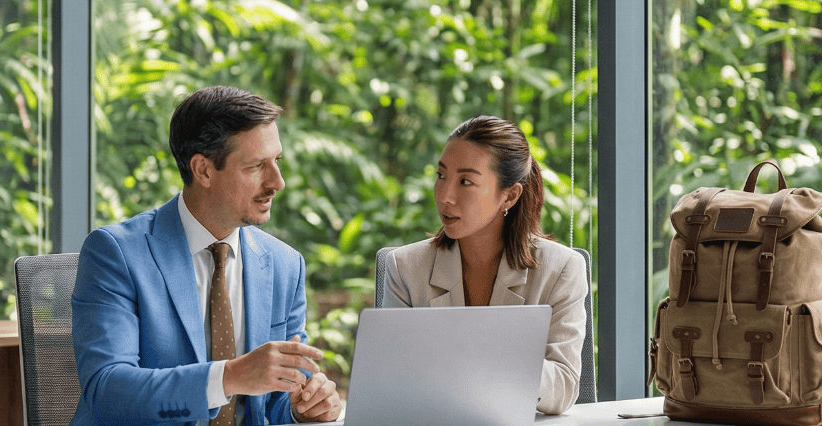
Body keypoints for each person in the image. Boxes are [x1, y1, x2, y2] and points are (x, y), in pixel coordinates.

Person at [71, 86, 342, 425]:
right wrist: (229, 377)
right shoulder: (116, 253)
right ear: (203, 170)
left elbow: (274, 402)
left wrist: (302, 408)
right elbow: (107, 389)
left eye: (277, 161)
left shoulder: (285, 265)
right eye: (257, 165)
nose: (278, 182)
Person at [380, 115, 588, 415]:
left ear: (510, 195)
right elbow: (392, 382)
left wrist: (481, 354)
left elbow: (564, 388)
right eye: (441, 176)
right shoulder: (404, 267)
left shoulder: (562, 268)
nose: (445, 196)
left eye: (466, 181)